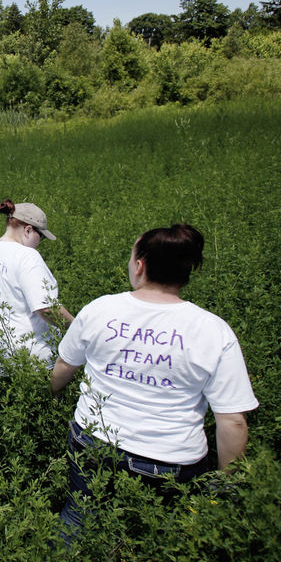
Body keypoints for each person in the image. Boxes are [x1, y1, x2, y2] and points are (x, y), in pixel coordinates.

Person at [50, 224, 258, 535]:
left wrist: (49, 392)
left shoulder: (100, 309)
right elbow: (233, 421)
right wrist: (227, 485)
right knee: (160, 534)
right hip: (171, 462)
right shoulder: (213, 331)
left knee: (78, 517)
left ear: (139, 265)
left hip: (91, 440)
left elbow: (65, 366)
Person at [0, 199, 74, 374]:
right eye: (42, 237)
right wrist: (76, 328)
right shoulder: (28, 257)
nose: (41, 242)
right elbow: (46, 308)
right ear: (28, 230)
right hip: (21, 358)